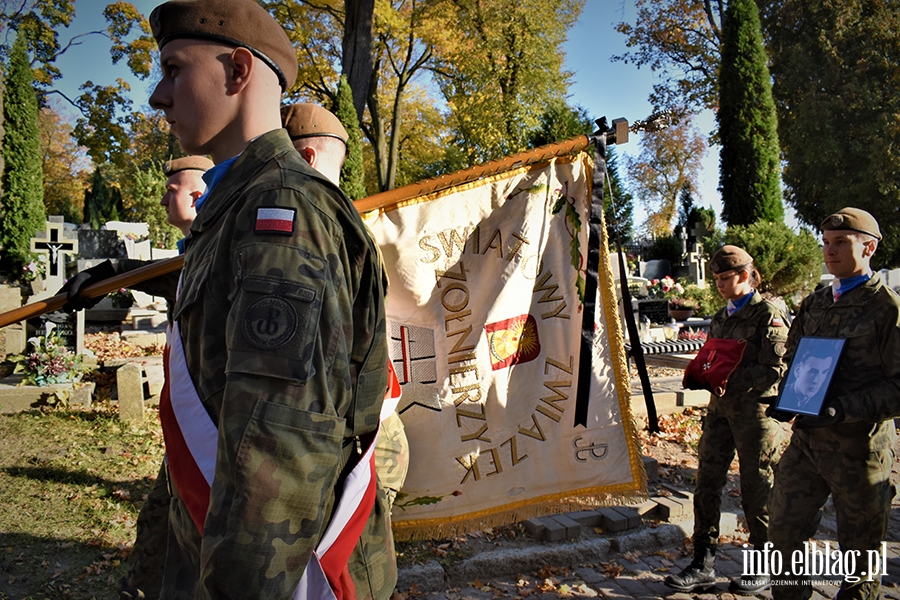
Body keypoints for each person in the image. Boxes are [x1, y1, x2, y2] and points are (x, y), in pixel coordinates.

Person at [146, 1, 392, 598]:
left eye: (174, 69)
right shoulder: (237, 206)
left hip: (278, 575)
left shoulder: (279, 211)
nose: (158, 95)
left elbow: (281, 443)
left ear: (236, 72)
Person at [282, 102, 410, 511]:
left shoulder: (321, 236)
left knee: (346, 567)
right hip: (356, 432)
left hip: (352, 439)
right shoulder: (348, 230)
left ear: (305, 158)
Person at [768, 207, 900, 600]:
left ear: (869, 247)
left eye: (841, 242)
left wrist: (843, 408)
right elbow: (795, 359)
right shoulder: (816, 303)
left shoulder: (887, 310)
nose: (830, 250)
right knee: (783, 536)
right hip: (808, 445)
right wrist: (788, 398)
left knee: (859, 566)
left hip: (859, 454)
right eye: (826, 242)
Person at [665, 245, 790, 594]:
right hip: (720, 413)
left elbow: (778, 369)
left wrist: (729, 375)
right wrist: (703, 371)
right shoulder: (721, 317)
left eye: (725, 278)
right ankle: (703, 562)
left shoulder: (768, 315)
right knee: (706, 485)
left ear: (746, 276)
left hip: (756, 416)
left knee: (756, 490)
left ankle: (763, 564)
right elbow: (714, 357)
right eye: (716, 278)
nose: (719, 284)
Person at [781, 349, 835, 413]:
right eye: (813, 371)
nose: (816, 381)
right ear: (797, 371)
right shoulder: (781, 394)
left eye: (824, 372)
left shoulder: (825, 402)